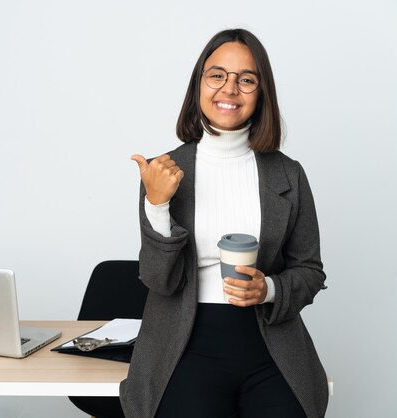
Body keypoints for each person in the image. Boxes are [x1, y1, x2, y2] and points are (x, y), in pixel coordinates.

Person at [120, 28, 328, 418]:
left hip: (270, 345)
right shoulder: (163, 171)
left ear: (261, 93)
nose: (229, 89)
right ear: (198, 85)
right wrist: (157, 204)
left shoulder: (289, 176)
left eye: (246, 80)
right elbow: (157, 279)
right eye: (217, 75)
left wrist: (268, 289)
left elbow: (310, 271)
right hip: (183, 346)